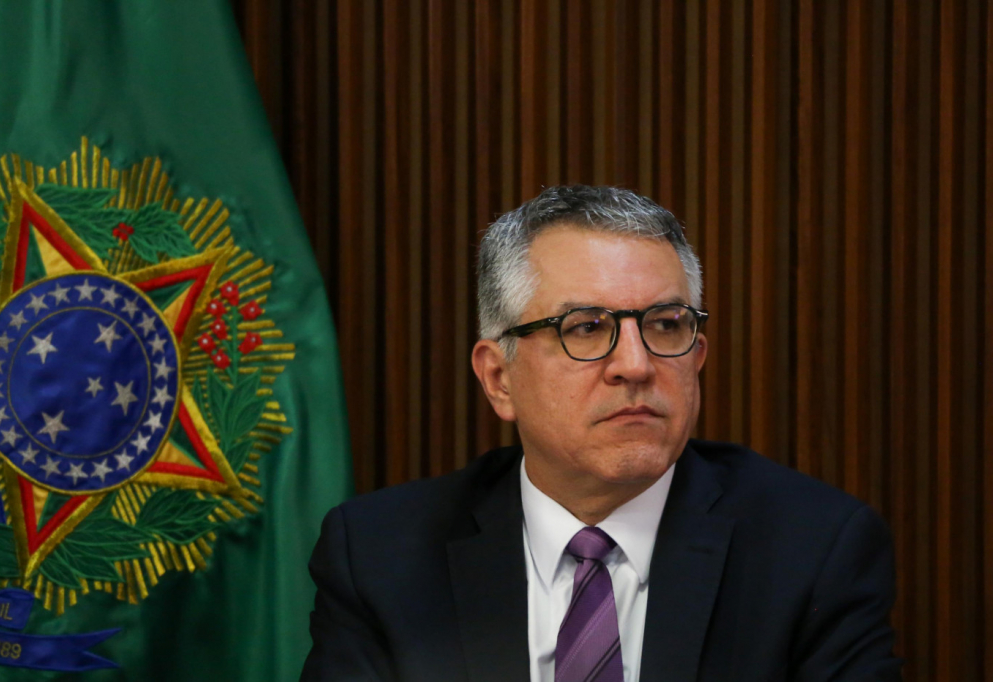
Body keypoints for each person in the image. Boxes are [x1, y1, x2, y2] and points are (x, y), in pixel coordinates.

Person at [301, 185, 901, 681]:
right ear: (499, 379)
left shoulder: (814, 550)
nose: (636, 365)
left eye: (666, 325)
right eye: (586, 327)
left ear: (697, 358)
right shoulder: (381, 557)